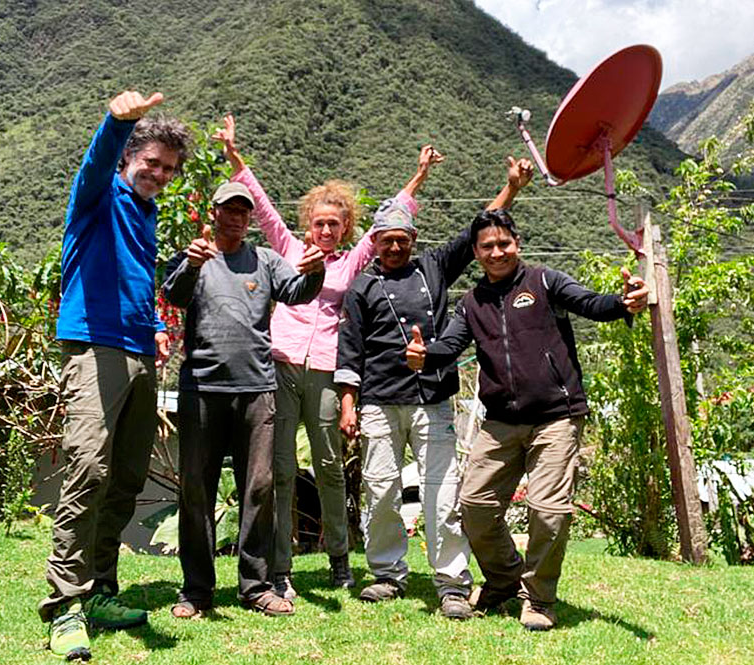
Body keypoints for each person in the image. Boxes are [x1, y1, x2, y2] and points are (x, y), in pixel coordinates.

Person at [212, 113, 444, 600]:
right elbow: (265, 207)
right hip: (280, 362)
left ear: (345, 229)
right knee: (277, 471)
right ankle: (280, 569)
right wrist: (234, 155)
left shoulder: (355, 259)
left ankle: (341, 558)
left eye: (333, 225)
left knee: (330, 467)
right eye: (318, 223)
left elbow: (389, 222)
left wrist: (419, 177)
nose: (324, 230)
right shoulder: (289, 249)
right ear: (308, 225)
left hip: (324, 369)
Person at [404, 208, 649, 631]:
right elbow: (448, 345)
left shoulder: (545, 281)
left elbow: (592, 303)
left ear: (517, 242)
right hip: (500, 422)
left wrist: (624, 302)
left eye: (504, 243)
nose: (497, 252)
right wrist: (423, 356)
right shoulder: (472, 303)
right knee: (475, 506)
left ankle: (538, 598)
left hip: (557, 417)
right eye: (487, 247)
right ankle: (503, 580)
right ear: (477, 253)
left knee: (548, 511)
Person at [334, 157, 534, 620]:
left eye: (403, 239)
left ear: (414, 240)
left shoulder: (433, 268)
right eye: (387, 241)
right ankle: (386, 574)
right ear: (375, 243)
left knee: (441, 494)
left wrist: (511, 189)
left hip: (433, 399)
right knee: (380, 489)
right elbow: (350, 351)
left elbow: (477, 231)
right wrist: (348, 405)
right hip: (380, 401)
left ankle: (451, 584)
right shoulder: (362, 287)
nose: (395, 247)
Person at [42, 90, 187, 661]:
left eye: (169, 169)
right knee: (88, 466)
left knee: (126, 475)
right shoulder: (99, 196)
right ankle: (63, 607)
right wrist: (115, 122)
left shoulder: (147, 213)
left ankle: (101, 588)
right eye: (151, 162)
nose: (159, 174)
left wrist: (152, 322)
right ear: (130, 157)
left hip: (137, 352)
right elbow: (94, 164)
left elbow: (134, 278)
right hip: (95, 347)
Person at [162, 181, 326, 619]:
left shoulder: (266, 260)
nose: (236, 217)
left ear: (249, 217)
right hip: (201, 389)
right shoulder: (194, 255)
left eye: (243, 211)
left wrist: (315, 269)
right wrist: (192, 266)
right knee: (197, 490)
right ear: (212, 213)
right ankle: (196, 591)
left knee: (259, 487)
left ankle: (255, 587)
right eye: (228, 210)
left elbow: (298, 293)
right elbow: (173, 296)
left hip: (256, 389)